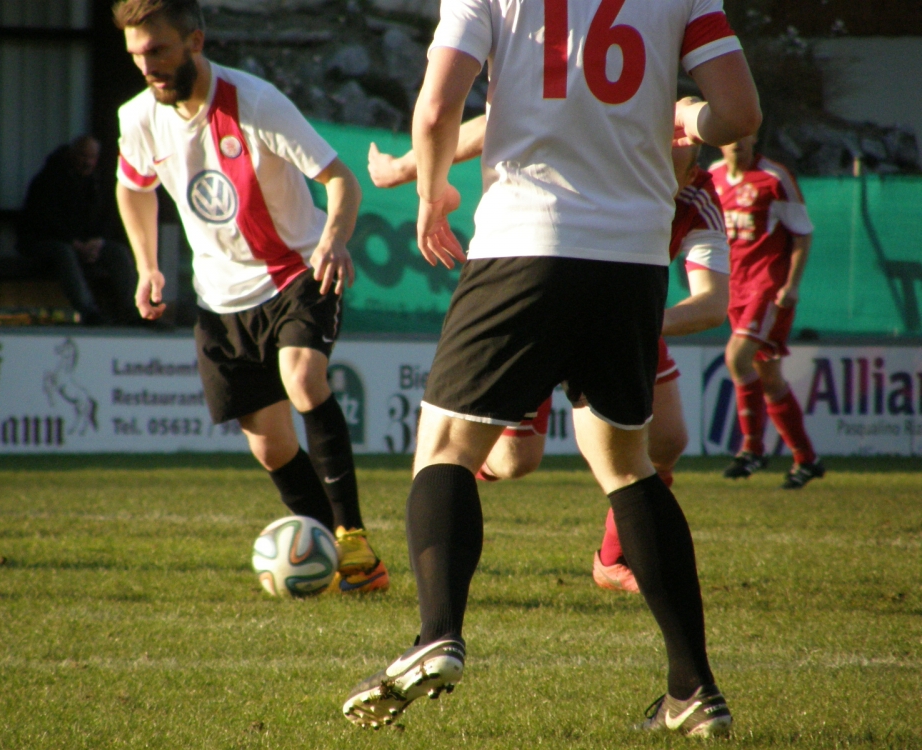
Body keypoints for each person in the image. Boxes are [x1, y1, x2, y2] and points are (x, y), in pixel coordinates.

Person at [343, 0, 760, 736]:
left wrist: (430, 192)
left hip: (527, 241)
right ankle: (693, 687)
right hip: (634, 258)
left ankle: (438, 633)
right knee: (627, 467)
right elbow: (739, 113)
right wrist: (687, 118)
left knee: (446, 449)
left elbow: (438, 106)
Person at [367, 119, 731, 595]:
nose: (656, 174)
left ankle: (614, 559)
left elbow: (712, 304)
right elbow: (497, 120)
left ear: (691, 174)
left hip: (622, 305)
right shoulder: (603, 145)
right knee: (515, 461)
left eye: (671, 169)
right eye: (652, 158)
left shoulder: (697, 197)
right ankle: (452, 473)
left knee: (666, 441)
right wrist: (404, 168)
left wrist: (634, 318)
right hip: (538, 295)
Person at [112, 0, 387, 593]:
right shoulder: (138, 118)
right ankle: (332, 559)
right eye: (137, 55)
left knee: (303, 377)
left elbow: (340, 179)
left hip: (296, 272)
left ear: (195, 41)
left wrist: (334, 241)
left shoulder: (256, 102)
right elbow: (133, 187)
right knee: (271, 447)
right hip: (220, 300)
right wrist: (147, 265)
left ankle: (353, 539)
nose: (148, 66)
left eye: (158, 50)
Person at [709, 136, 824, 489]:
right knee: (770, 378)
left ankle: (752, 448)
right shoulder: (713, 176)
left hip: (767, 289)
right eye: (729, 135)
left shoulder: (774, 178)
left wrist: (792, 285)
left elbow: (802, 234)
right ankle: (806, 459)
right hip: (735, 289)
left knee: (736, 357)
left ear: (754, 136)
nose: (736, 141)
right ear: (717, 140)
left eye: (743, 133)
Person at [18, 135, 139, 326]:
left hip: (86, 245)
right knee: (64, 253)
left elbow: (109, 217)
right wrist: (74, 243)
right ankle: (89, 312)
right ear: (72, 155)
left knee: (118, 252)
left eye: (92, 157)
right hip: (47, 243)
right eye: (83, 156)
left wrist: (98, 241)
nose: (88, 162)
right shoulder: (49, 179)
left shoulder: (99, 182)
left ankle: (133, 311)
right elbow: (43, 220)